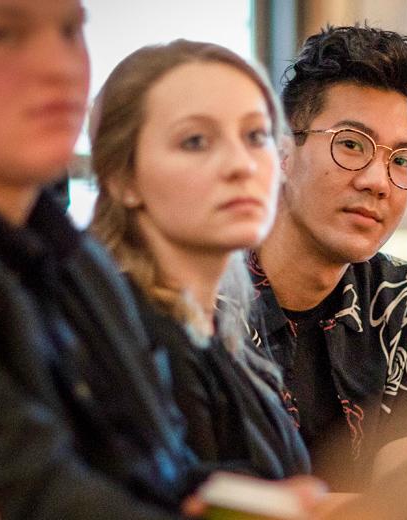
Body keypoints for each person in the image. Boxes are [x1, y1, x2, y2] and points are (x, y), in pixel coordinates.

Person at [0, 1, 320, 518]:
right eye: (2, 33)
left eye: (70, 31)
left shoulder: (73, 262)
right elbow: (35, 494)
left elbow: (149, 462)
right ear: (121, 180)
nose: (58, 65)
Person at [89, 40, 313, 482]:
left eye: (255, 136)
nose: (241, 165)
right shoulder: (135, 342)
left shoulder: (216, 329)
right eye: (195, 141)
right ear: (122, 178)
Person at [249, 24, 407, 491]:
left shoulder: (398, 299)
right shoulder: (206, 297)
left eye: (401, 160)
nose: (378, 181)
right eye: (352, 145)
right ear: (282, 152)